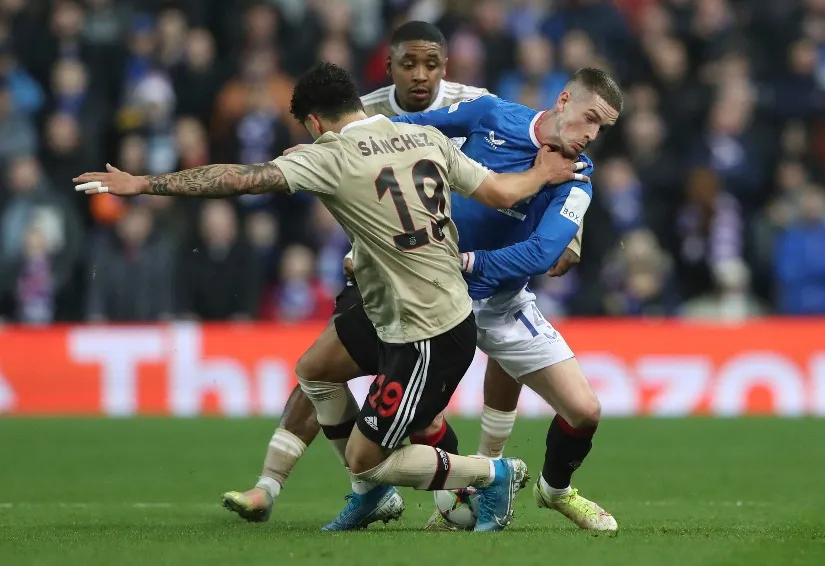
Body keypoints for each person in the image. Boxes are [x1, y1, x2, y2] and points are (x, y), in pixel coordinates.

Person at [73, 62, 586, 532]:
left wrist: (142, 183)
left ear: (314, 123)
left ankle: (491, 472)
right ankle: (371, 497)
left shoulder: (331, 156)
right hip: (393, 305)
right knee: (315, 371)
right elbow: (498, 191)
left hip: (427, 328)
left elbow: (238, 179)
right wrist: (541, 174)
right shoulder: (425, 136)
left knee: (370, 456)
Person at [220, 21, 585, 526]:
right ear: (388, 67)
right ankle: (280, 485)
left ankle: (473, 476)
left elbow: (530, 174)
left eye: (431, 64)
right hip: (378, 275)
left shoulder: (475, 105)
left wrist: (567, 233)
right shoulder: (359, 112)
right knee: (320, 368)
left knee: (416, 407)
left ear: (446, 67)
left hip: (447, 282)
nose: (420, 75)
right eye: (409, 64)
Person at [392, 68, 621, 533]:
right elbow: (409, 129)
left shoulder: (577, 175)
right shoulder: (492, 114)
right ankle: (463, 491)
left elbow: (542, 252)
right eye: (590, 119)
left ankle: (554, 490)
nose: (593, 135)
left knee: (585, 411)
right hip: (436, 295)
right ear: (563, 100)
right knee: (418, 417)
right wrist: (332, 147)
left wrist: (470, 262)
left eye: (603, 128)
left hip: (501, 300)